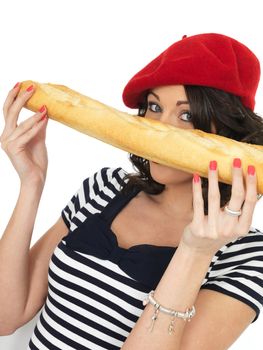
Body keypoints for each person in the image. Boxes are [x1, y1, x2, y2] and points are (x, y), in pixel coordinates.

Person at [0, 33, 263, 350]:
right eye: (154, 107)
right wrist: (31, 183)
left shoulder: (246, 255)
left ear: (229, 134)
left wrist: (195, 251)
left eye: (186, 115)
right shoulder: (105, 187)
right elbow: (6, 317)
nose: (158, 127)